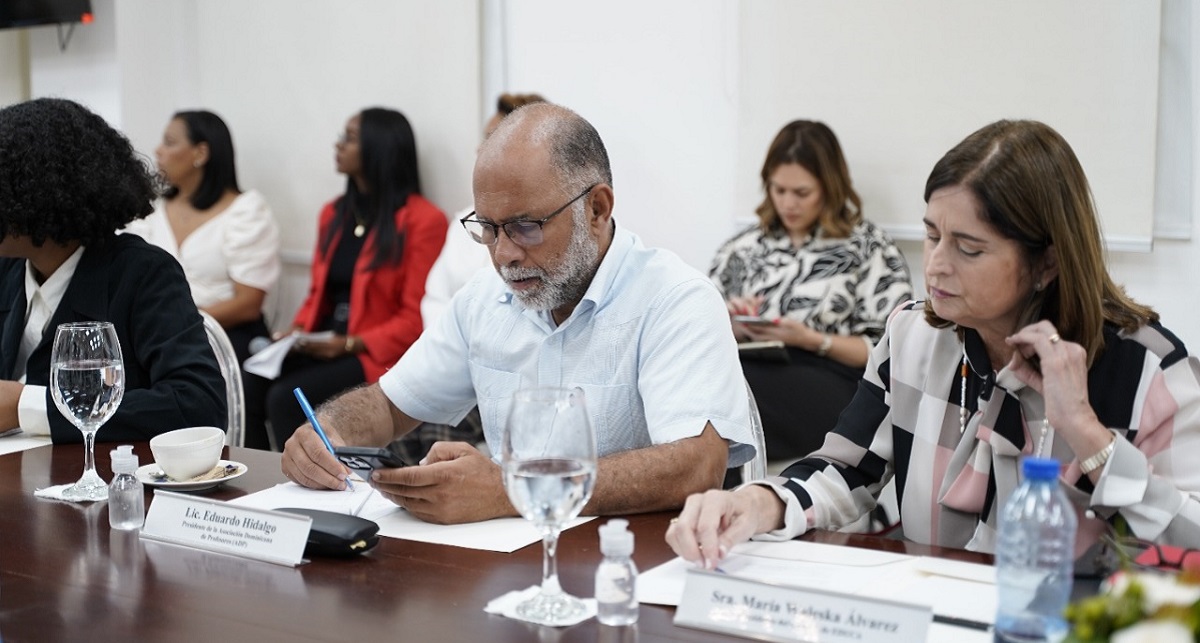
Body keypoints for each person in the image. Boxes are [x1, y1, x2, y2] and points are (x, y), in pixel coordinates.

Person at [667, 119, 1200, 567]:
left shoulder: (1150, 370)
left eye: (968, 248)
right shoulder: (913, 334)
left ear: (1047, 263)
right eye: (930, 235)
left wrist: (1088, 436)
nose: (936, 265)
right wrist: (758, 503)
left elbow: (1191, 541)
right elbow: (848, 470)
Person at [281, 103, 755, 525]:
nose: (503, 253)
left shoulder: (675, 299)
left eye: (525, 227)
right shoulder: (484, 299)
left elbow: (696, 465)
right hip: (516, 569)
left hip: (636, 570)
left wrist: (513, 487)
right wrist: (328, 430)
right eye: (487, 228)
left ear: (597, 208)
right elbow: (388, 405)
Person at [0, 98, 226, 442]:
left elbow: (198, 404)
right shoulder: (8, 270)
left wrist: (27, 405)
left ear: (38, 193)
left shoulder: (142, 274)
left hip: (106, 482)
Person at [242, 107, 447, 451]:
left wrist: (349, 343)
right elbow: (317, 295)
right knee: (251, 381)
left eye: (349, 138)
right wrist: (295, 333)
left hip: (373, 352)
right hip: (326, 342)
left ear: (379, 149)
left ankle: (305, 483)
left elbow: (414, 320)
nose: (338, 145)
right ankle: (259, 478)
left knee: (283, 398)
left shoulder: (423, 221)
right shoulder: (334, 213)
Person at [710, 120, 912, 462]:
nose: (788, 203)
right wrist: (732, 326)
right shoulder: (741, 249)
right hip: (746, 367)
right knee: (711, 383)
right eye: (778, 190)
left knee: (728, 399)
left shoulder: (868, 248)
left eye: (802, 193)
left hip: (827, 379)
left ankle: (711, 477)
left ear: (830, 187)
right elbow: (700, 327)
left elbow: (895, 350)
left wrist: (812, 339)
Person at [400, 92, 548, 465]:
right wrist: (459, 349)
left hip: (513, 377)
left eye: (502, 140)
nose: (488, 150)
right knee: (404, 434)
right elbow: (435, 298)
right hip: (462, 361)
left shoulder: (554, 230)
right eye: (487, 139)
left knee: (440, 435)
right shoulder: (465, 221)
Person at [124, 110, 281, 364]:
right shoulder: (151, 210)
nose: (158, 151)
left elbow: (248, 303)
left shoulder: (246, 211)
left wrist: (177, 323)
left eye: (170, 142)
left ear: (201, 153)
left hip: (224, 335)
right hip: (154, 335)